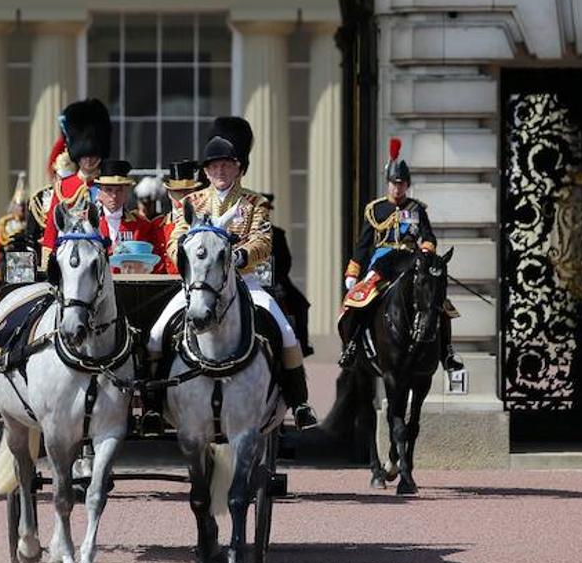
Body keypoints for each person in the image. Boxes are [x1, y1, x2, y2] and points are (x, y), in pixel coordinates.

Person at [143, 117, 319, 432]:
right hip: (198, 285)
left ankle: (299, 401)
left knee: (287, 333)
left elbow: (264, 240)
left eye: (226, 166)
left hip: (245, 282)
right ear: (206, 171)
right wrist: (186, 258)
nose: (220, 172)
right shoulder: (192, 202)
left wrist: (241, 256)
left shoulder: (254, 203)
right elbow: (175, 239)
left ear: (238, 168)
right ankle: (154, 405)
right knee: (156, 333)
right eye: (214, 167)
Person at [340, 137, 463, 372]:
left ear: (407, 185)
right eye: (394, 184)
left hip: (411, 260)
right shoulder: (376, 209)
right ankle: (352, 345)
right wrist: (354, 270)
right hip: (384, 261)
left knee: (440, 302)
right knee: (359, 299)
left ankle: (447, 353)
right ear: (388, 184)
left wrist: (427, 249)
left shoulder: (417, 209)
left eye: (402, 184)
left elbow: (428, 236)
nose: (398, 188)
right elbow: (364, 244)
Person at [38, 98, 111, 269]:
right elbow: (51, 230)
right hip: (69, 259)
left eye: (93, 156)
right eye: (84, 156)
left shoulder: (108, 185)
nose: (89, 161)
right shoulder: (63, 187)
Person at [262, 194, 314, 357]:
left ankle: (303, 345)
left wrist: (277, 278)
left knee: (300, 304)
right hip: (250, 280)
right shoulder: (244, 232)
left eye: (266, 210)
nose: (263, 213)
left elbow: (286, 260)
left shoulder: (278, 234)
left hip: (276, 280)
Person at [93, 159, 163, 271]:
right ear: (100, 193)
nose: (114, 196)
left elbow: (153, 263)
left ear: (126, 192)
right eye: (108, 190)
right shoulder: (89, 224)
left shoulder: (142, 226)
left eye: (119, 190)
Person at [0, 172, 32, 286]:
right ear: (13, 206)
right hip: (8, 262)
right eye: (19, 206)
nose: (21, 209)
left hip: (28, 262)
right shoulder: (5, 225)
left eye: (23, 205)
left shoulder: (31, 224)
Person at [157, 160, 204, 275]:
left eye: (188, 192)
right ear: (169, 193)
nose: (183, 198)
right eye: (177, 192)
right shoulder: (156, 225)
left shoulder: (204, 224)